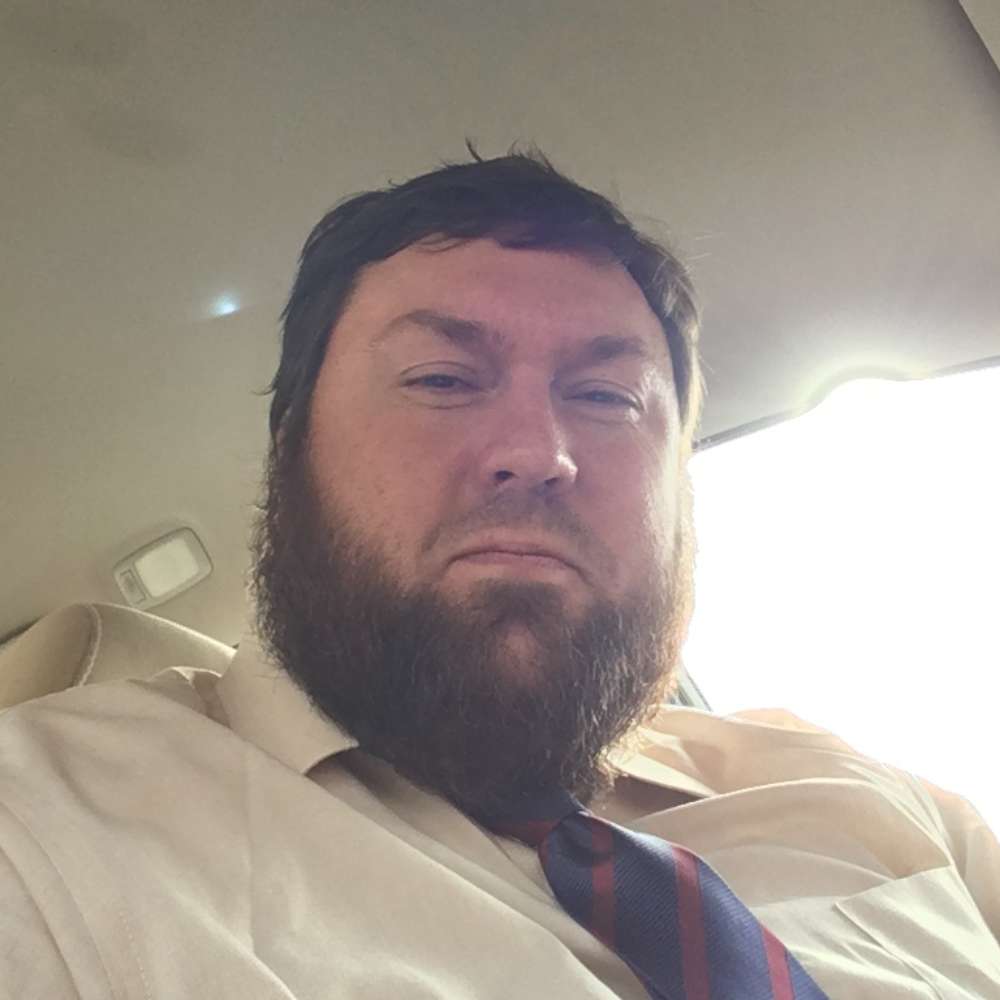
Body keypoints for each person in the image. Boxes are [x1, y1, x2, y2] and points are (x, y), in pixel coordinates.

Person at [1, 147, 998, 999]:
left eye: (607, 396)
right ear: (290, 451)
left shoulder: (854, 789)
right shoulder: (46, 831)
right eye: (441, 379)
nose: (538, 452)